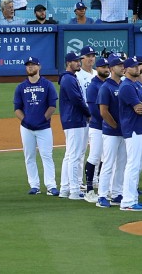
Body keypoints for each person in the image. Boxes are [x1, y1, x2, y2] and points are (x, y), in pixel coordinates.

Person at [13, 56, 59, 196]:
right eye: (28, 65)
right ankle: (34, 185)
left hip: (44, 127)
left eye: (33, 65)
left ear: (39, 67)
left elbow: (52, 106)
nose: (30, 67)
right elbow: (17, 109)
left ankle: (51, 185)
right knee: (29, 156)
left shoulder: (47, 85)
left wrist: (43, 119)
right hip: (26, 128)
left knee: (46, 156)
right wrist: (25, 121)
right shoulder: (21, 87)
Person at [117, 56, 142, 211]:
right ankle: (127, 201)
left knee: (137, 165)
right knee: (132, 165)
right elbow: (139, 108)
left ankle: (133, 199)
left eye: (137, 65)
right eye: (133, 66)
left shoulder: (138, 84)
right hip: (133, 130)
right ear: (125, 70)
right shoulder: (126, 86)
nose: (137, 68)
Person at [58, 52, 91, 200]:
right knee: (74, 156)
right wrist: (89, 113)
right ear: (68, 63)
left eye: (79, 60)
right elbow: (77, 100)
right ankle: (74, 190)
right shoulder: (68, 79)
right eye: (76, 61)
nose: (79, 63)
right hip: (74, 120)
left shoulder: (70, 78)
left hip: (73, 120)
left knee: (71, 155)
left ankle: (65, 189)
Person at [95, 54, 127, 207]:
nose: (123, 67)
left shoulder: (124, 84)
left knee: (122, 164)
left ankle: (117, 193)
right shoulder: (106, 87)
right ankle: (102, 195)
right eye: (119, 65)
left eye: (123, 65)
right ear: (111, 68)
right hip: (111, 132)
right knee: (108, 163)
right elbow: (103, 111)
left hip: (124, 131)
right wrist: (115, 126)